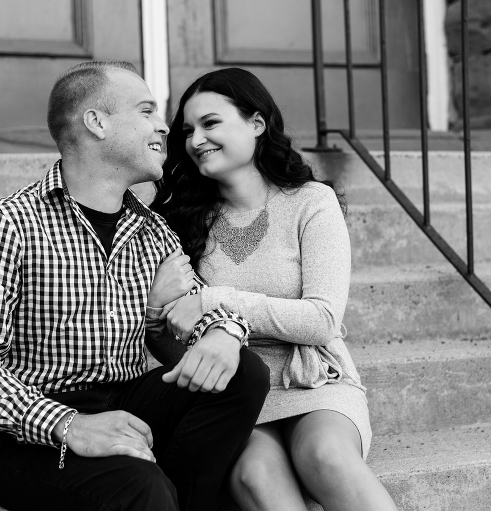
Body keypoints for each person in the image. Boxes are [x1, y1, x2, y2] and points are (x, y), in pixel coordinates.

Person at [0, 61, 270, 511]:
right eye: (147, 111)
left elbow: (194, 307)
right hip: (32, 429)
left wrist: (226, 332)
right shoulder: (12, 222)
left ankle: (180, 499)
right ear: (96, 122)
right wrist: (70, 425)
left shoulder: (154, 232)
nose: (164, 127)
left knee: (244, 373)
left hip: (129, 403)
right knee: (139, 486)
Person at [149, 68, 397, 511]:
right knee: (256, 474)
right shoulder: (180, 221)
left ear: (257, 124)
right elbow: (168, 330)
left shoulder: (311, 203)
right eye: (187, 131)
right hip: (233, 393)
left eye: (210, 123)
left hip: (316, 380)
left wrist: (211, 301)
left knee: (327, 457)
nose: (195, 140)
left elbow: (321, 320)